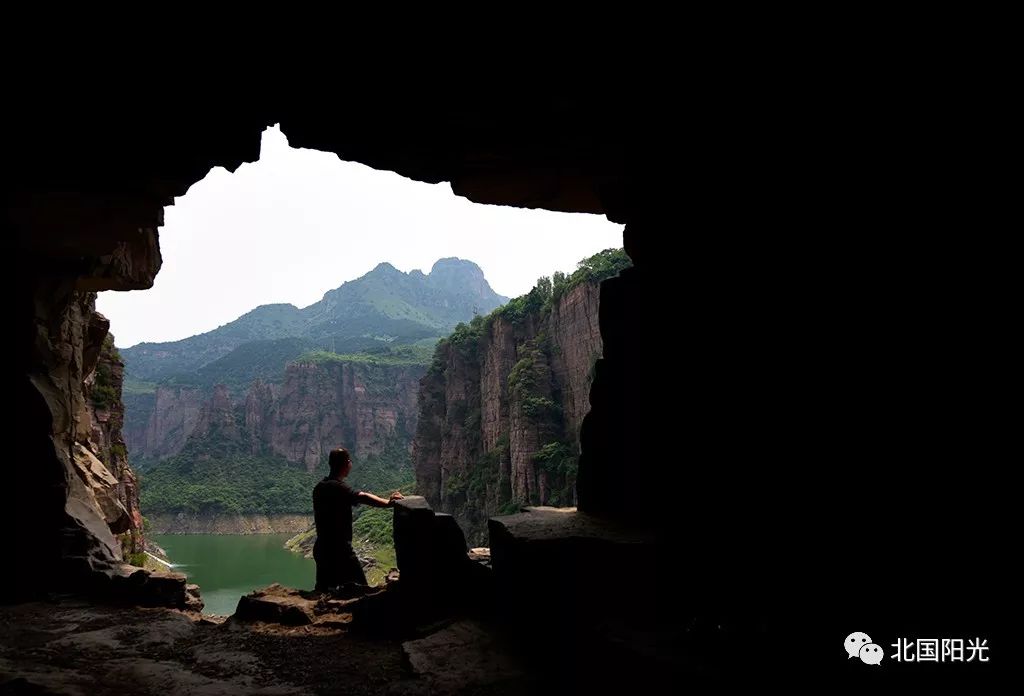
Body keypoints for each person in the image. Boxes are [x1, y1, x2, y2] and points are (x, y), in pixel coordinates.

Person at [312, 447, 404, 592]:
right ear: (347, 464)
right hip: (339, 549)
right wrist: (388, 503)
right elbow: (362, 497)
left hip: (322, 547)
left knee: (323, 589)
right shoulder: (338, 487)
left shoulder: (319, 487)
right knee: (361, 589)